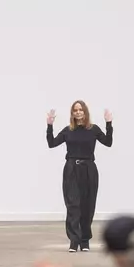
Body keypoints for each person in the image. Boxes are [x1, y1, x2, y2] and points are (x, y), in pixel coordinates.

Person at [46, 100, 113, 252]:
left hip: (89, 168)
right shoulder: (68, 130)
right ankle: (74, 241)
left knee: (87, 206)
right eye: (75, 110)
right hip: (71, 169)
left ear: (85, 112)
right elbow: (52, 143)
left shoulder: (93, 129)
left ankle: (85, 241)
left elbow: (108, 142)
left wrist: (108, 124)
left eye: (80, 110)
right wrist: (49, 125)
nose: (78, 112)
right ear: (72, 113)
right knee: (73, 205)